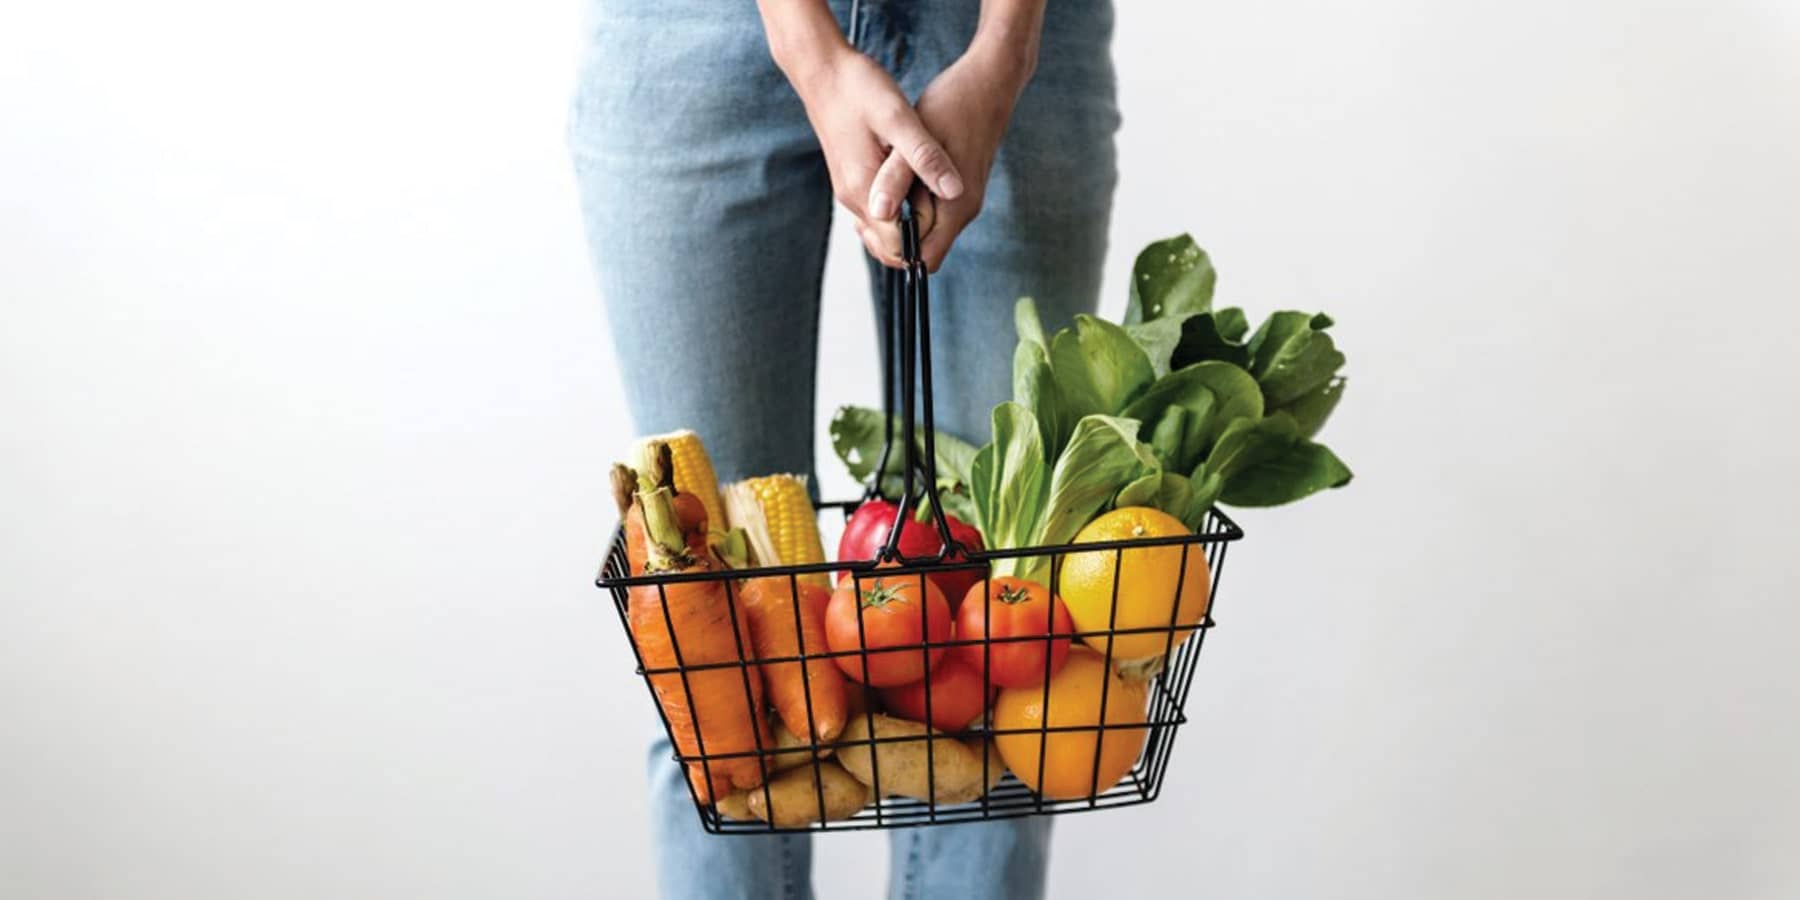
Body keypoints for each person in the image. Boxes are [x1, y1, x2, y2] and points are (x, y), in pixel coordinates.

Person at [569, 0, 1117, 896]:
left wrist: (1005, 50)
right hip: (694, 36)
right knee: (711, 673)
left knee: (1010, 663)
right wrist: (804, 43)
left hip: (1003, 33)